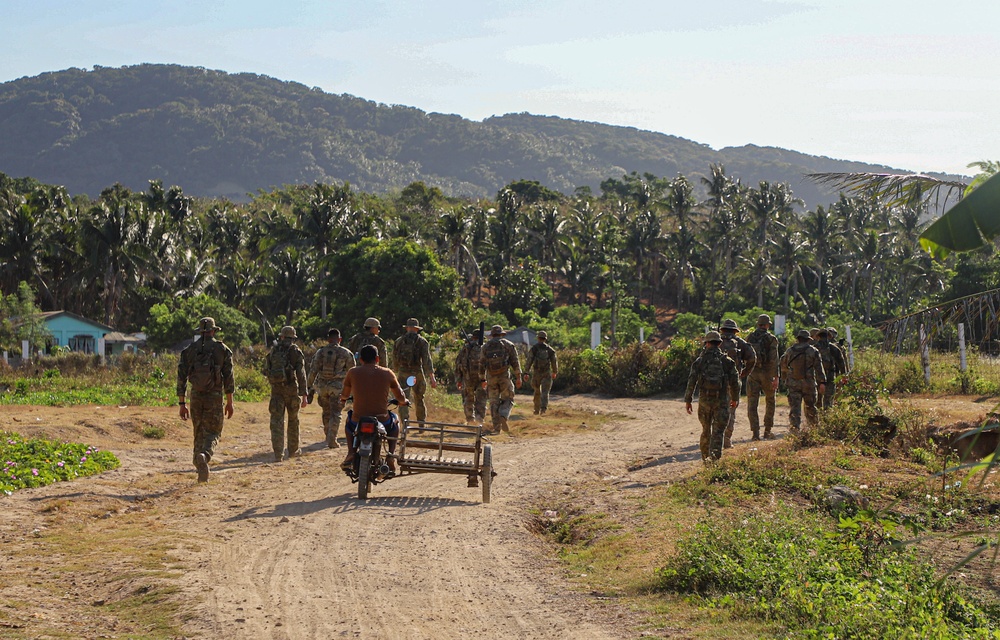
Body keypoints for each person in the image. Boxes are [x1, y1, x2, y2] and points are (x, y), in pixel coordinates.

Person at [177, 317, 235, 482]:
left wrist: (182, 403)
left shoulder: (189, 350)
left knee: (199, 430)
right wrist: (230, 402)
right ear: (214, 330)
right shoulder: (222, 350)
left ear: (200, 331)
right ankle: (205, 455)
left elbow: (181, 379)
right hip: (214, 396)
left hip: (196, 396)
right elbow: (229, 379)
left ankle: (198, 465)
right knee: (214, 431)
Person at [340, 344, 410, 472]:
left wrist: (343, 399)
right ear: (377, 358)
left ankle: (350, 452)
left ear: (360, 359)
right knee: (395, 421)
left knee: (348, 422)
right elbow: (400, 396)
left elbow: (344, 394)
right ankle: (390, 454)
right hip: (382, 419)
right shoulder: (388, 373)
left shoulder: (353, 372)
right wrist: (404, 401)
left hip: (358, 419)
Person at [684, 331, 740, 462]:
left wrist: (688, 400)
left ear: (707, 343)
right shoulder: (727, 362)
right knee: (718, 432)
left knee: (705, 430)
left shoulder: (700, 361)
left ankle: (705, 459)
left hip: (704, 401)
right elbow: (735, 382)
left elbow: (691, 381)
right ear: (719, 344)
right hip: (721, 401)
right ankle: (714, 460)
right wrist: (735, 398)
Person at [265, 325, 308, 461]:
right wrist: (304, 393)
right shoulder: (295, 351)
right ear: (293, 338)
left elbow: (267, 369)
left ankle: (278, 453)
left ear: (282, 336)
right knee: (293, 420)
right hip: (291, 390)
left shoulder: (274, 350)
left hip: (276, 390)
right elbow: (301, 373)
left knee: (276, 421)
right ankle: (293, 450)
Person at [307, 328, 356, 448]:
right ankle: (332, 439)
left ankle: (327, 435)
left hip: (322, 387)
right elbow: (353, 372)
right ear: (340, 339)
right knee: (336, 412)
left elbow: (313, 371)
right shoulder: (346, 353)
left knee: (326, 411)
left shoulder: (320, 352)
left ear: (328, 339)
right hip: (338, 388)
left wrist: (309, 387)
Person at [779, 329, 826, 433]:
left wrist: (786, 377)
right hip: (808, 384)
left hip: (793, 384)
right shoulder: (813, 351)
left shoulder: (790, 351)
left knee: (795, 409)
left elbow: (783, 364)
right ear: (808, 339)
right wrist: (822, 382)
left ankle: (795, 431)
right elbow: (819, 368)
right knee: (810, 407)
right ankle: (814, 430)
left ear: (798, 339)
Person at [718, 319, 756, 448]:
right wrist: (745, 372)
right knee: (730, 410)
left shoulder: (714, 342)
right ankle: (727, 440)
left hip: (715, 383)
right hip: (732, 382)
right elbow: (752, 358)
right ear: (735, 331)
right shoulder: (740, 343)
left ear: (722, 330)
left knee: (715, 410)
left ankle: (716, 438)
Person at [392, 318, 437, 424]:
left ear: (407, 328)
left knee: (402, 399)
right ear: (417, 329)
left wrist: (395, 371)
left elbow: (394, 359)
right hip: (417, 373)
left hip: (403, 373)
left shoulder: (398, 341)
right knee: (419, 398)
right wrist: (432, 377)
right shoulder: (422, 342)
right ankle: (421, 423)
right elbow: (427, 361)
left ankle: (405, 424)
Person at [479, 325, 522, 434]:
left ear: (492, 334)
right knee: (509, 398)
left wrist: (482, 380)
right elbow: (515, 362)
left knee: (493, 402)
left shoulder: (485, 347)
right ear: (502, 334)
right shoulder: (508, 345)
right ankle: (503, 414)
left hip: (491, 377)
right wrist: (518, 377)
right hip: (504, 377)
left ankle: (497, 429)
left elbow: (481, 365)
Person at [744, 314, 779, 440]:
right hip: (767, 374)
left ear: (758, 324)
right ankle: (767, 431)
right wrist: (776, 377)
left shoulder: (749, 337)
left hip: (753, 374)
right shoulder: (771, 339)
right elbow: (774, 360)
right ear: (767, 325)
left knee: (752, 404)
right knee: (770, 401)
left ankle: (755, 433)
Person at [455, 329, 487, 424]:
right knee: (481, 399)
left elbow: (458, 364)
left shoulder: (466, 347)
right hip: (482, 378)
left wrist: (458, 379)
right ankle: (479, 420)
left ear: (473, 337)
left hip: (467, 377)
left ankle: (470, 420)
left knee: (468, 399)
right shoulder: (484, 347)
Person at [523, 330, 558, 415]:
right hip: (546, 373)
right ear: (545, 339)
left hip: (536, 373)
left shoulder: (534, 348)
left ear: (538, 338)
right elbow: (554, 361)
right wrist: (554, 372)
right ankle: (543, 409)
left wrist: (526, 372)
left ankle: (536, 410)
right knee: (545, 392)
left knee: (537, 391)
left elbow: (529, 360)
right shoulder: (550, 350)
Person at [815, 327, 848, 409]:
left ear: (818, 336)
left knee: (817, 400)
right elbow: (841, 363)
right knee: (828, 400)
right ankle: (826, 417)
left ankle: (816, 419)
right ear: (829, 337)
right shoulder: (834, 348)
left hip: (816, 377)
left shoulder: (813, 348)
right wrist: (844, 375)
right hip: (830, 376)